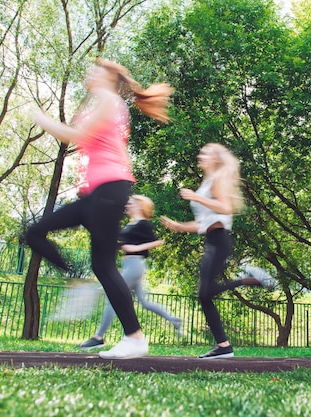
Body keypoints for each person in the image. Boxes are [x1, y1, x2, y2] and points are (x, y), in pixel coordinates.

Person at [27, 58, 173, 360]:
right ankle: (80, 284)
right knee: (35, 233)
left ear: (108, 76)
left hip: (109, 190)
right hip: (96, 194)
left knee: (104, 266)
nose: (89, 73)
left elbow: (76, 137)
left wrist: (38, 116)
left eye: (95, 69)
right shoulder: (105, 102)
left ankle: (134, 338)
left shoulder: (109, 99)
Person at [160, 143, 277, 359]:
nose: (200, 155)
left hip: (220, 240)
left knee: (205, 293)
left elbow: (225, 208)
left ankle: (224, 345)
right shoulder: (206, 183)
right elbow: (204, 223)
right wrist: (179, 226)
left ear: (215, 159)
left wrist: (196, 197)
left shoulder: (217, 180)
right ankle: (223, 346)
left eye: (205, 152)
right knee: (205, 294)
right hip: (212, 240)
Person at [78, 195, 183, 350]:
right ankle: (174, 320)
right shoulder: (131, 224)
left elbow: (158, 242)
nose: (127, 205)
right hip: (128, 265)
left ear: (140, 206)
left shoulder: (143, 224)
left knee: (114, 297)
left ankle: (98, 337)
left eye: (131, 203)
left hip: (135, 265)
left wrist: (135, 248)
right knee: (144, 302)